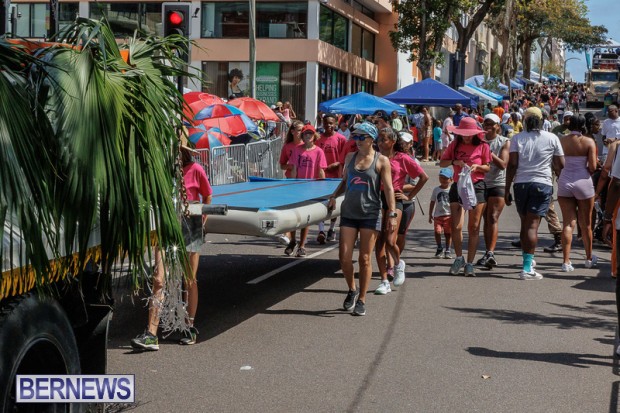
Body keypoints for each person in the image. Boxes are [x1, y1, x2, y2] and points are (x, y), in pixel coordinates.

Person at [130, 142, 213, 350]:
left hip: (190, 223)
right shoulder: (163, 172)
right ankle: (151, 334)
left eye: (176, 150)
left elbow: (207, 195)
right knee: (159, 279)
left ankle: (189, 327)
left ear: (183, 152)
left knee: (189, 279)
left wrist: (201, 219)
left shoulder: (195, 169)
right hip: (166, 225)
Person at [326, 122, 395, 316]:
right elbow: (345, 181)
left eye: (361, 137)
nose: (357, 140)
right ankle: (352, 289)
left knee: (364, 258)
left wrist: (392, 213)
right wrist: (334, 196)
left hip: (370, 214)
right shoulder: (350, 157)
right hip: (349, 212)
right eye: (355, 136)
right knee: (344, 258)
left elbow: (389, 189)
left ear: (371, 139)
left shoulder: (382, 161)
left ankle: (362, 299)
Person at [505, 107, 564, 280]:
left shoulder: (517, 138)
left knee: (525, 224)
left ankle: (527, 260)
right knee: (532, 226)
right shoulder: (552, 138)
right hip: (542, 183)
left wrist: (506, 188)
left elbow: (512, 164)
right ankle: (527, 268)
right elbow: (560, 164)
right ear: (542, 121)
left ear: (525, 121)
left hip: (521, 184)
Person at [374, 127, 428, 295]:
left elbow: (423, 177)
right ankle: (384, 281)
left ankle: (398, 264)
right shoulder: (375, 157)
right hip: (377, 200)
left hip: (395, 200)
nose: (380, 142)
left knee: (391, 241)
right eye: (379, 139)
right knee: (379, 243)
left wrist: (409, 195)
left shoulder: (403, 158)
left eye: (384, 139)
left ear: (393, 141)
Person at [439, 117, 491, 277]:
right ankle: (459, 258)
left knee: (474, 226)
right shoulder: (455, 144)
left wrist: (477, 167)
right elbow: (442, 163)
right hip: (458, 185)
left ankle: (469, 263)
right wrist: (455, 161)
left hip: (477, 186)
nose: (466, 137)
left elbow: (487, 167)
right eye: (464, 134)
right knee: (456, 226)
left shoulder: (483, 145)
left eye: (469, 134)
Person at [557, 114, 598, 271]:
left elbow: (557, 163)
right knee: (586, 224)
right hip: (583, 181)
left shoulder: (562, 141)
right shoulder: (588, 141)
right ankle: (588, 258)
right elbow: (593, 167)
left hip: (565, 181)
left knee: (568, 223)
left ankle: (566, 261)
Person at [289, 124, 327, 257]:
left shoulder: (319, 151)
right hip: (297, 188)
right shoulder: (297, 150)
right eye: (306, 133)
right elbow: (294, 169)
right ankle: (292, 241)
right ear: (302, 136)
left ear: (314, 136)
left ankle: (302, 245)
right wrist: (291, 185)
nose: (308, 136)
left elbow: (321, 171)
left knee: (306, 219)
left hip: (311, 189)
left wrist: (322, 188)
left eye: (310, 133)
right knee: (294, 217)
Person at [478, 113, 510, 269]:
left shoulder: (504, 141)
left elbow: (503, 164)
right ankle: (487, 252)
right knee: (485, 218)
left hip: (498, 183)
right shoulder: (479, 140)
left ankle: (491, 252)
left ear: (498, 126)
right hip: (481, 183)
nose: (488, 126)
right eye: (486, 123)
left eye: (491, 123)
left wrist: (488, 152)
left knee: (493, 217)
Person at [316, 113, 346, 243]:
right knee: (321, 203)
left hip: (335, 177)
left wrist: (337, 164)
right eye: (326, 123)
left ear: (335, 124)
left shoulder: (341, 139)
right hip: (321, 176)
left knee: (333, 203)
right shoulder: (318, 139)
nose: (328, 125)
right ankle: (321, 230)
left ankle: (332, 229)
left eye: (331, 123)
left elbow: (345, 157)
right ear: (322, 124)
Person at [279, 120, 304, 255]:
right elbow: (282, 165)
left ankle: (302, 245)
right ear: (293, 131)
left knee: (305, 213)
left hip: (305, 182)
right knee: (293, 212)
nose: (301, 133)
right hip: (291, 182)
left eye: (302, 130)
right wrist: (291, 166)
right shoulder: (287, 147)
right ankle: (293, 239)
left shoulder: (307, 145)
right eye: (299, 130)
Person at [428, 168, 453, 259]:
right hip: (438, 216)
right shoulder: (436, 190)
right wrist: (430, 214)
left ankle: (448, 249)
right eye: (441, 177)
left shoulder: (452, 190)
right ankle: (439, 247)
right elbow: (432, 202)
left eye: (446, 178)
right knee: (437, 231)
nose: (443, 180)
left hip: (449, 215)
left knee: (448, 233)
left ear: (451, 179)